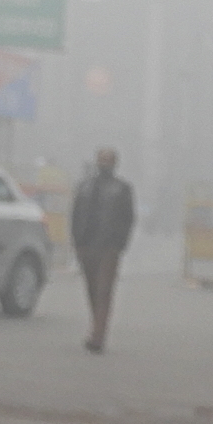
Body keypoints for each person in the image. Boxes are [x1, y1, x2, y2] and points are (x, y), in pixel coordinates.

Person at [70, 146, 136, 354]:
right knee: (92, 290)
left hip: (108, 248)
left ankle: (98, 336)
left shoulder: (122, 188)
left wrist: (120, 245)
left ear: (115, 163)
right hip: (86, 245)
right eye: (102, 159)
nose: (104, 164)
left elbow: (128, 219)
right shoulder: (85, 186)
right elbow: (75, 214)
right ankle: (95, 325)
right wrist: (76, 242)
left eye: (109, 160)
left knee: (103, 291)